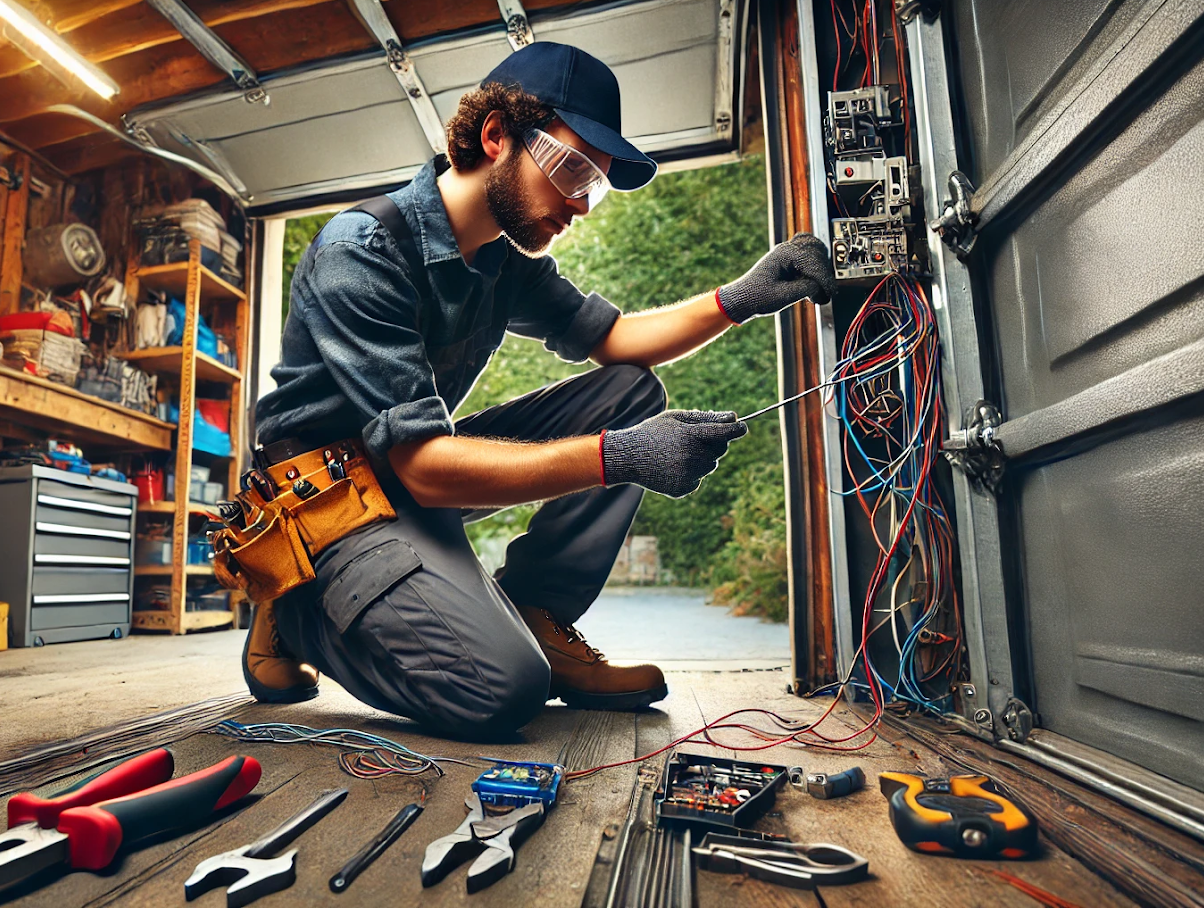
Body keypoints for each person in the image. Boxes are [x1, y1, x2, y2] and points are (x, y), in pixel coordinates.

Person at [243, 42, 834, 739]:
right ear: (496, 136)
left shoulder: (502, 260)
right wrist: (620, 457)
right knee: (502, 689)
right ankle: (298, 606)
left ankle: (534, 611)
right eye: (573, 168)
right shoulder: (362, 251)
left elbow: (617, 342)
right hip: (327, 507)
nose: (581, 203)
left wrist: (743, 296)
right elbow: (425, 469)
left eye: (597, 184)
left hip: (405, 473)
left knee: (628, 392)